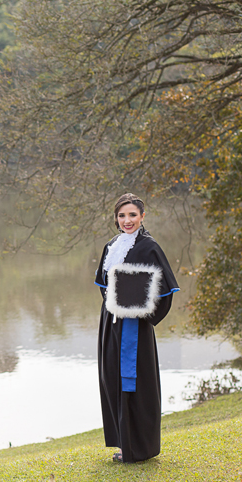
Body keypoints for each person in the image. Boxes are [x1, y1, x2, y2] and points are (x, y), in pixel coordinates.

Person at [94, 193, 179, 463]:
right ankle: (123, 444)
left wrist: (142, 314)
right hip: (111, 323)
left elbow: (165, 291)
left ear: (142, 216)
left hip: (136, 327)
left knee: (136, 384)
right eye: (122, 215)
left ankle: (140, 448)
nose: (127, 220)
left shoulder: (148, 247)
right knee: (112, 378)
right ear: (116, 218)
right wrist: (114, 306)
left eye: (132, 215)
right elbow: (104, 286)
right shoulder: (111, 245)